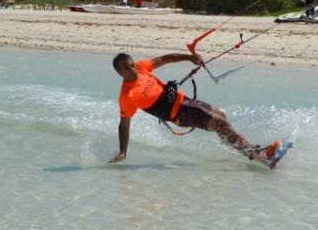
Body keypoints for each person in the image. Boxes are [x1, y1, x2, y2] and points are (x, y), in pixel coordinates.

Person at [108, 51, 282, 167]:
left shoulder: (141, 68)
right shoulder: (127, 95)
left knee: (221, 117)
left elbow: (164, 59)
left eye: (131, 64)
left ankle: (238, 146)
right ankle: (259, 156)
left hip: (185, 102)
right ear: (119, 73)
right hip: (179, 114)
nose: (132, 69)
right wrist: (123, 152)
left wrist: (189, 57)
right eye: (126, 68)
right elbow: (124, 124)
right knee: (220, 124)